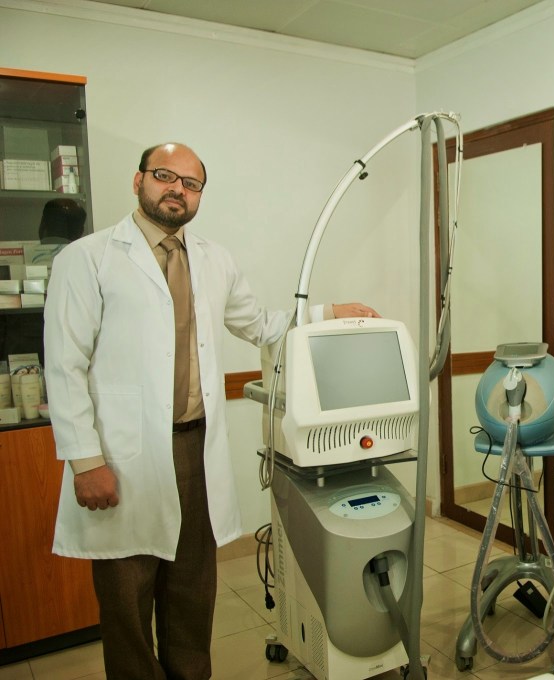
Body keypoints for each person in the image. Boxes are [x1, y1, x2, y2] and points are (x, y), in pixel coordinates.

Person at [43, 142, 380, 680]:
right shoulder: (87, 259)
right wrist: (86, 462)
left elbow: (260, 325)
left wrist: (327, 312)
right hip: (122, 454)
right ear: (138, 181)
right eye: (165, 176)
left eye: (191, 183)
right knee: (128, 597)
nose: (177, 189)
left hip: (193, 447)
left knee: (193, 587)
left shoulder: (213, 258)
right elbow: (64, 367)